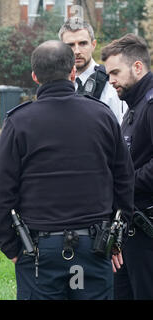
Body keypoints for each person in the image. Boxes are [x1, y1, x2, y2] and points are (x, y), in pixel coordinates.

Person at [0, 40, 134, 300]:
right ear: (72, 73)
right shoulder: (103, 117)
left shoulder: (18, 122)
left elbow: (2, 191)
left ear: (35, 77)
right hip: (93, 246)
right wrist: (118, 237)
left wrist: (10, 247)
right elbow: (124, 180)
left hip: (39, 250)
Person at [102, 33, 153, 300]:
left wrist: (125, 182)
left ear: (137, 67)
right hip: (130, 230)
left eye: (115, 73)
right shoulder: (133, 106)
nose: (111, 81)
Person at [59, 18, 126, 123]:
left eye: (83, 43)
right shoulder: (57, 83)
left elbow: (120, 128)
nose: (77, 51)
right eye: (70, 45)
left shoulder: (111, 83)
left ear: (93, 45)